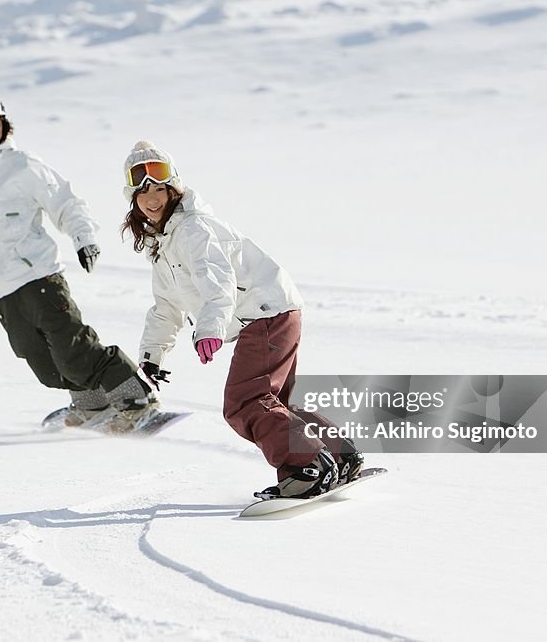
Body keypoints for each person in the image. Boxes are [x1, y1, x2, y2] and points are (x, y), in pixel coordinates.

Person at [119, 140, 364, 498]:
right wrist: (152, 356)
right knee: (269, 403)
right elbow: (166, 307)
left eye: (160, 188)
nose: (152, 198)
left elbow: (218, 282)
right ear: (133, 199)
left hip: (264, 313)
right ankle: (339, 457)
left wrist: (209, 329)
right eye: (143, 193)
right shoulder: (164, 245)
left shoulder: (192, 230)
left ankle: (306, 467)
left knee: (244, 404)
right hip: (274, 311)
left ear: (175, 189)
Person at [0, 94, 158, 432]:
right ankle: (90, 401)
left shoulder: (23, 165)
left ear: (4, 126)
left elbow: (64, 202)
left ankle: (135, 397)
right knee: (44, 364)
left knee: (74, 349)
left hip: (38, 274)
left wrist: (83, 238)